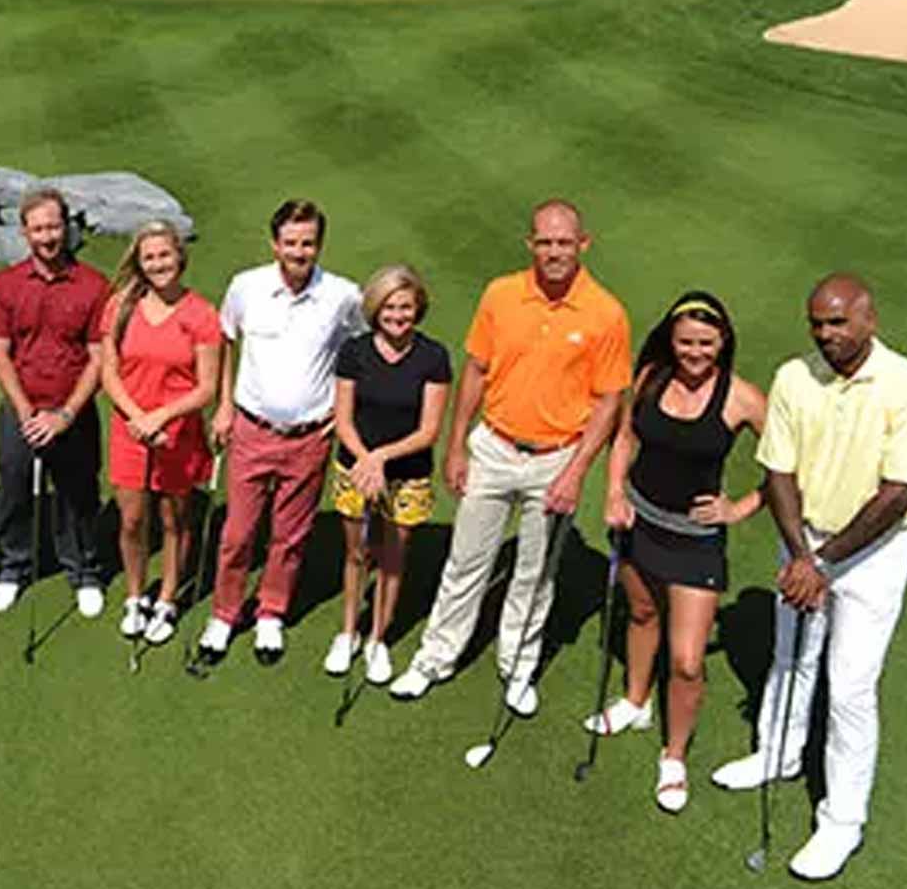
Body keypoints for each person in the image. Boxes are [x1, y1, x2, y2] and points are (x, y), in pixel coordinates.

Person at [709, 275, 907, 881]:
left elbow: (897, 494)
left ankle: (842, 821)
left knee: (850, 687)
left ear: (869, 319)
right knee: (791, 657)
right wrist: (800, 556)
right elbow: (779, 472)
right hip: (805, 540)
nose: (826, 335)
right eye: (817, 323)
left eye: (838, 323)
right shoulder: (794, 376)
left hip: (874, 552)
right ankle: (778, 754)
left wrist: (824, 564)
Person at [390, 200, 630, 715]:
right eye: (544, 242)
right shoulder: (501, 294)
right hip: (494, 447)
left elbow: (610, 400)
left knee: (534, 573)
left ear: (583, 244)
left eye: (564, 242)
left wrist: (577, 471)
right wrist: (456, 444)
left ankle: (517, 665)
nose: (554, 252)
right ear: (530, 245)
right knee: (466, 560)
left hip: (556, 459)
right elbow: (476, 370)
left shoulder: (606, 312)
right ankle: (435, 657)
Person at [586, 291, 766, 814]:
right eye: (685, 342)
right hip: (639, 521)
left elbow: (786, 462)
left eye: (706, 343)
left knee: (688, 661)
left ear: (723, 341)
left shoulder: (741, 397)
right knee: (641, 613)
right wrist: (615, 491)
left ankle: (674, 754)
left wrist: (740, 507)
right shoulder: (650, 379)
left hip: (696, 541)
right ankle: (636, 702)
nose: (694, 353)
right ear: (671, 339)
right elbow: (623, 439)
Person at [199, 199, 363, 665]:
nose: (299, 251)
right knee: (237, 533)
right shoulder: (246, 287)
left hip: (310, 435)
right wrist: (225, 406)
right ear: (275, 244)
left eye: (308, 243)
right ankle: (225, 613)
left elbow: (363, 350)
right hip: (252, 429)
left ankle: (271, 612)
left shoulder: (342, 295)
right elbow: (227, 341)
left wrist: (342, 410)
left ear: (319, 244)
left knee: (290, 535)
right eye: (290, 242)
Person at [0, 188, 112, 618]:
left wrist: (66, 414)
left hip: (73, 410)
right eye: (38, 228)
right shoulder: (6, 284)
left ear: (66, 227)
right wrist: (24, 410)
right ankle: (14, 567)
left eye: (54, 226)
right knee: (14, 487)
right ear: (25, 232)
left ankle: (84, 570)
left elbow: (98, 358)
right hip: (22, 407)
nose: (48, 236)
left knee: (79, 492)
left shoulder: (94, 285)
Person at [324, 265, 450, 685]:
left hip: (407, 473)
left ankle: (378, 639)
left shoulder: (433, 357)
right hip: (355, 467)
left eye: (406, 308)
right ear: (375, 309)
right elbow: (343, 419)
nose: (398, 316)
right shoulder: (354, 352)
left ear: (418, 309)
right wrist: (365, 461)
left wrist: (380, 459)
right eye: (390, 307)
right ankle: (348, 633)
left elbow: (428, 431)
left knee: (393, 559)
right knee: (357, 553)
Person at [97, 221, 221, 644]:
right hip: (129, 429)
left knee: (175, 520)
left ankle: (167, 598)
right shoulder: (119, 306)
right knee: (132, 520)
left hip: (178, 434)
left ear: (179, 257)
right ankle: (136, 595)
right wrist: (139, 418)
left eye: (165, 255)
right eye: (149, 257)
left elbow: (207, 387)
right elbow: (109, 373)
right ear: (139, 261)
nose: (158, 264)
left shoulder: (202, 315)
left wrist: (161, 417)